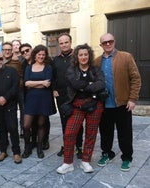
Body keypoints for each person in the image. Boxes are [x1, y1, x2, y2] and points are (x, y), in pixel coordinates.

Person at [94, 33, 141, 172]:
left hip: (122, 104)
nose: (108, 44)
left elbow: (136, 79)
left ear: (114, 41)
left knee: (125, 133)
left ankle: (127, 158)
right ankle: (107, 153)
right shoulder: (97, 61)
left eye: (110, 41)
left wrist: (132, 99)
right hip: (104, 105)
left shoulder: (126, 57)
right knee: (105, 132)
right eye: (105, 42)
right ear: (101, 45)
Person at [56, 44, 105, 174]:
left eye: (85, 54)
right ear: (77, 57)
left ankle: (86, 161)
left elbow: (101, 84)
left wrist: (85, 86)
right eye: (81, 55)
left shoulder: (96, 69)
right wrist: (90, 84)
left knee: (91, 133)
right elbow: (75, 84)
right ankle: (68, 163)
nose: (83, 57)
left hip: (95, 104)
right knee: (69, 133)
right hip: (77, 104)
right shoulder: (72, 70)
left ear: (89, 56)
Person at [52, 33, 83, 158]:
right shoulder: (56, 59)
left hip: (76, 95)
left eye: (66, 42)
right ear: (59, 45)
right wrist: (53, 89)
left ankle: (79, 147)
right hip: (61, 95)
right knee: (64, 122)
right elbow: (53, 76)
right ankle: (66, 145)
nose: (64, 45)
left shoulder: (77, 57)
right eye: (61, 43)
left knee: (78, 122)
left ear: (70, 42)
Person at [22, 44, 56, 159]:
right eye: (39, 54)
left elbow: (47, 84)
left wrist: (33, 83)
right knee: (26, 125)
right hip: (31, 99)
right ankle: (27, 147)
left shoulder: (48, 67)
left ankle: (40, 147)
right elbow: (26, 83)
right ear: (35, 55)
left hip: (44, 99)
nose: (41, 56)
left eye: (43, 55)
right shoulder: (29, 67)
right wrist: (41, 82)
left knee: (41, 124)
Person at [2, 41, 25, 139]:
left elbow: (21, 75)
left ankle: (23, 131)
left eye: (9, 50)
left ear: (12, 51)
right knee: (10, 113)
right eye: (5, 50)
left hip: (19, 90)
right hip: (7, 92)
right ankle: (10, 133)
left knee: (23, 111)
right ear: (2, 50)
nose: (7, 51)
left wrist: (18, 85)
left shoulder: (17, 61)